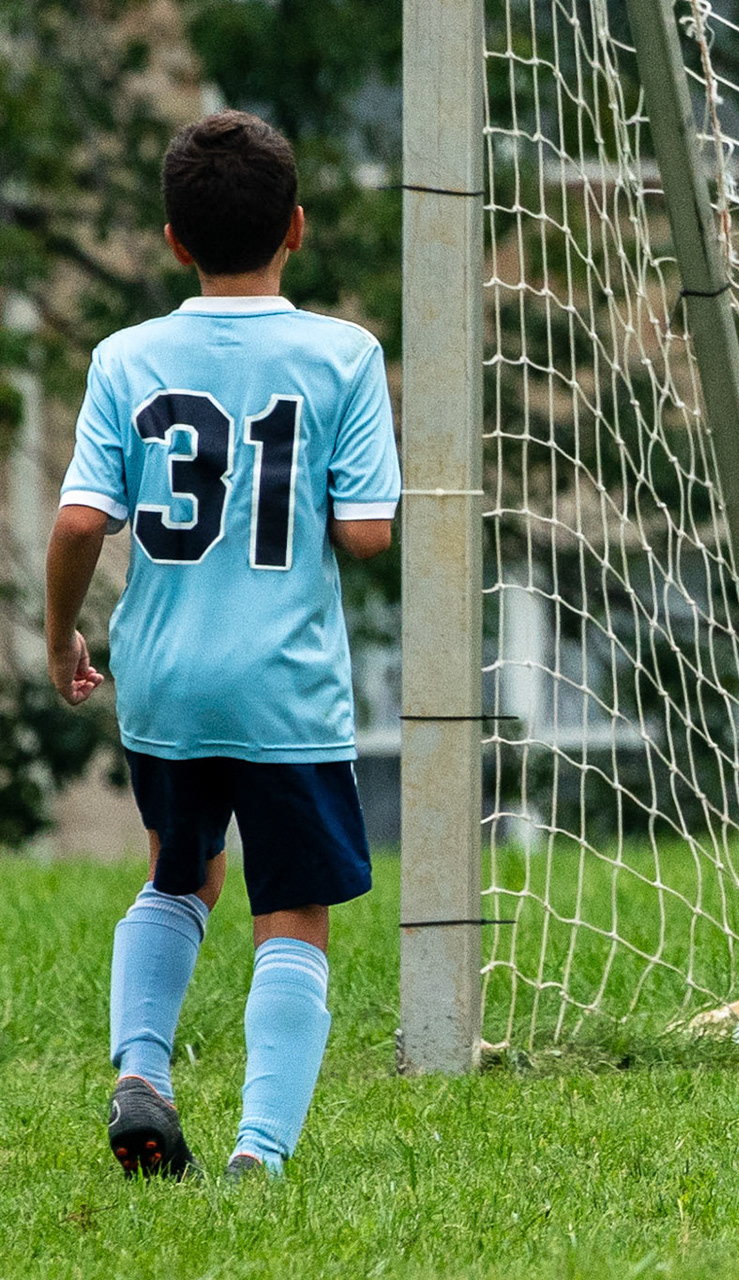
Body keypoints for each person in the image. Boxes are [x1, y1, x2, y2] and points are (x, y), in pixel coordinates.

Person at [45, 109, 399, 1179]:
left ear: (172, 240)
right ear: (295, 227)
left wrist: (62, 635)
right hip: (286, 687)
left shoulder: (126, 354)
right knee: (289, 910)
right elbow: (366, 533)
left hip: (164, 679)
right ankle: (261, 1153)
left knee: (176, 875)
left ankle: (142, 1069)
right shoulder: (344, 353)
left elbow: (75, 523)